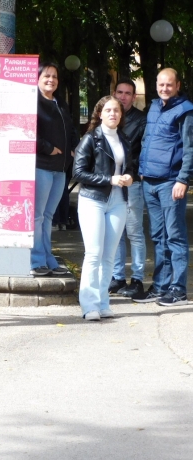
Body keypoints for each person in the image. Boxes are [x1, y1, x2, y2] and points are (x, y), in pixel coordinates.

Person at [133, 68, 193, 306]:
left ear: (177, 85)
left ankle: (178, 288)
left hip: (171, 182)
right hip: (149, 181)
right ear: (156, 84)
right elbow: (148, 140)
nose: (164, 89)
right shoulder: (154, 107)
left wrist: (183, 179)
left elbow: (189, 149)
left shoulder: (185, 110)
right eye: (161, 85)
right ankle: (160, 286)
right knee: (158, 237)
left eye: (169, 85)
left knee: (175, 236)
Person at [73, 96, 133, 321]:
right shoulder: (91, 138)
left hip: (118, 201)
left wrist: (129, 176)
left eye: (116, 111)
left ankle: (102, 302)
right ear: (100, 114)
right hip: (93, 200)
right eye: (108, 110)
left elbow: (131, 165)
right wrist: (109, 179)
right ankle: (89, 306)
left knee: (109, 256)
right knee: (94, 254)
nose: (112, 114)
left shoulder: (124, 139)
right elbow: (78, 173)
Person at [31, 62, 79, 276]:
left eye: (54, 77)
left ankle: (49, 259)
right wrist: (48, 149)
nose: (51, 80)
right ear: (37, 79)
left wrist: (72, 148)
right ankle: (36, 260)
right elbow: (29, 133)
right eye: (46, 76)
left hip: (60, 169)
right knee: (37, 216)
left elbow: (70, 128)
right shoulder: (33, 102)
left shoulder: (60, 103)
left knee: (49, 216)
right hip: (42, 166)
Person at [108, 79, 148, 298]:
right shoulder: (110, 116)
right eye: (120, 92)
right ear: (114, 93)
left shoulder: (141, 120)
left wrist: (135, 175)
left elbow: (145, 150)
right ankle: (117, 277)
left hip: (132, 183)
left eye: (127, 93)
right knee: (116, 232)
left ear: (134, 97)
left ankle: (138, 280)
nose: (123, 96)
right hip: (112, 183)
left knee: (134, 232)